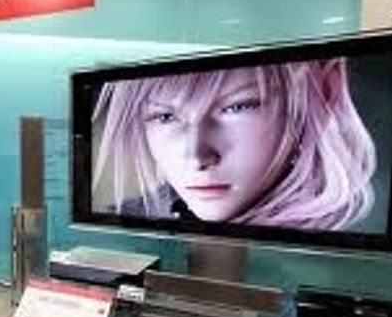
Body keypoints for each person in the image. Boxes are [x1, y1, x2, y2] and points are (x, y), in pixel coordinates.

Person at [92, 59, 376, 230]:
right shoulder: (127, 223)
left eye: (239, 107)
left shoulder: (351, 240)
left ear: (325, 92)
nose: (196, 156)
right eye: (165, 117)